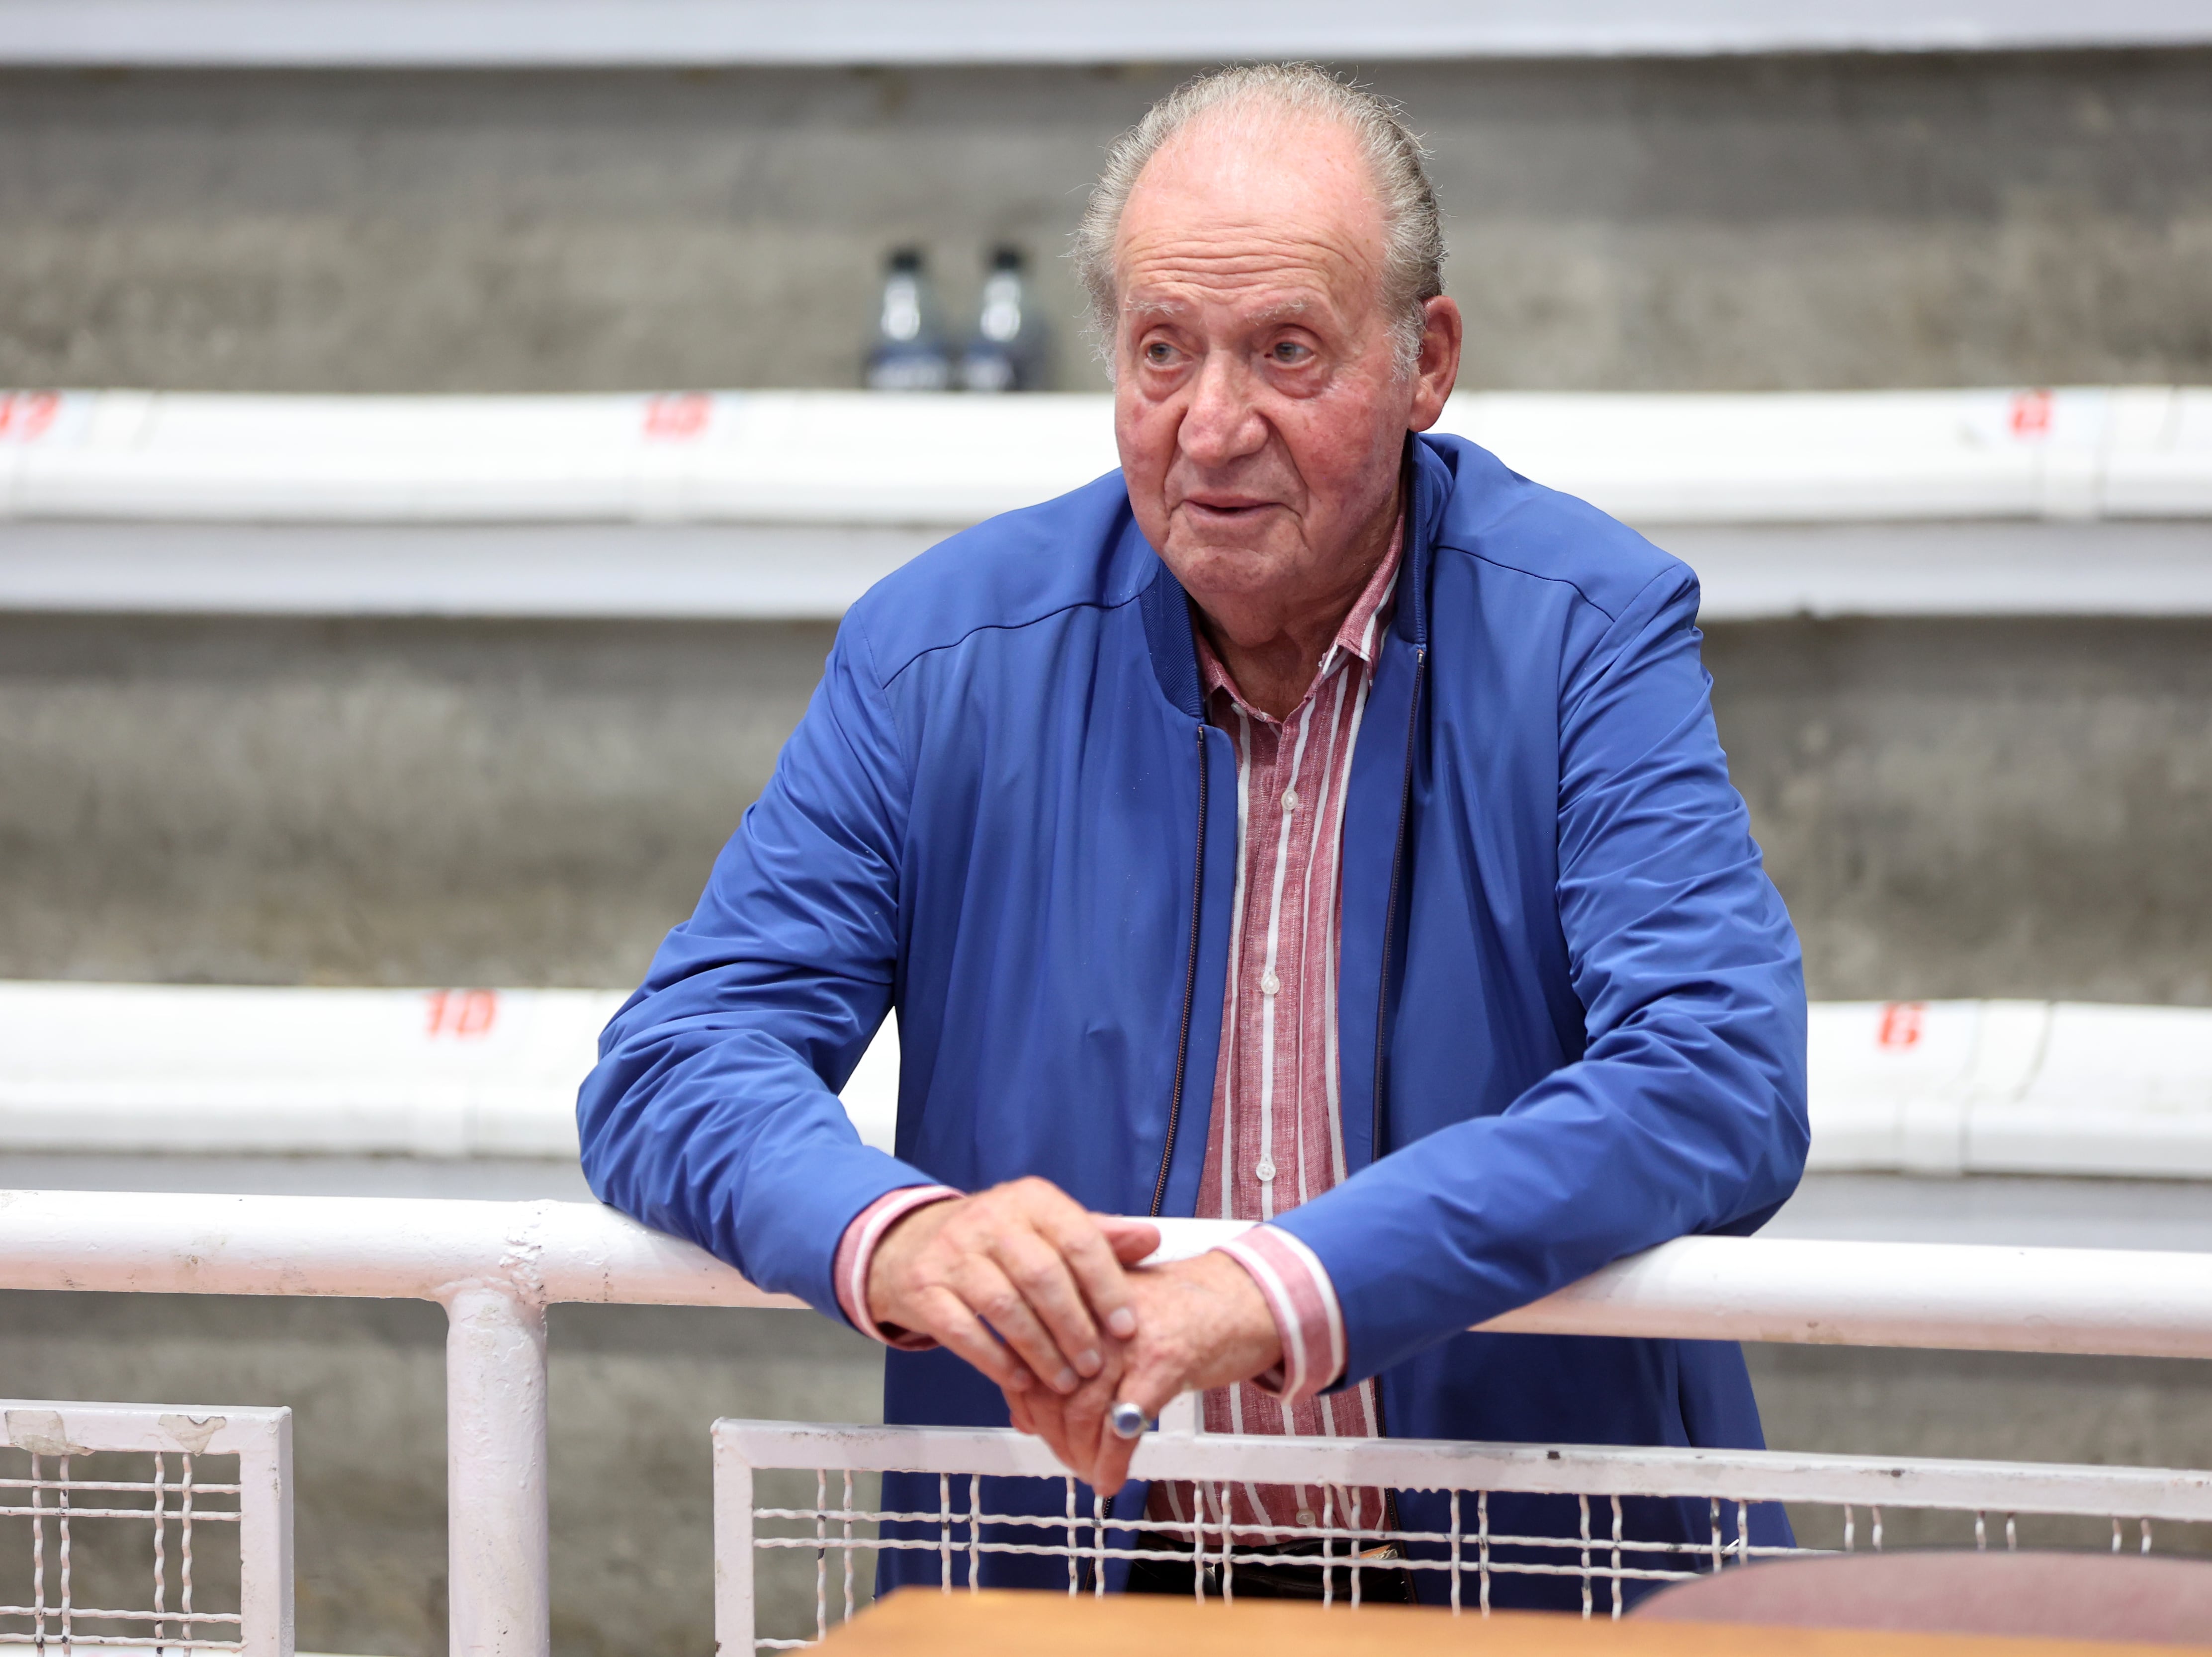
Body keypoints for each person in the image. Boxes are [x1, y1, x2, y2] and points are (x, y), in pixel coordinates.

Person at [578, 64, 1809, 1608]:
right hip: (1061, 1578)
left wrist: (1275, 1289)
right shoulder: (935, 653)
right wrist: (893, 1236)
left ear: (1426, 360)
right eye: (1164, 352)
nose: (1211, 426)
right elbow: (677, 1059)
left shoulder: (1586, 629)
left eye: (1285, 351)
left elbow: (1719, 1083)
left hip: (1533, 1582)